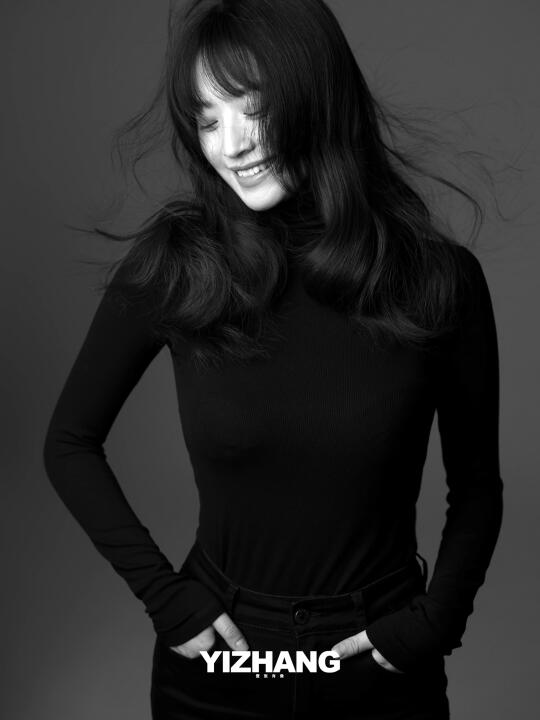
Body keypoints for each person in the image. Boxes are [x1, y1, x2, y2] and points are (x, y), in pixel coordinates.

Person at [43, 0, 504, 718]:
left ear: (318, 94)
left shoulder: (438, 280)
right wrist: (165, 597)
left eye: (252, 108)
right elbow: (69, 441)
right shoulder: (179, 265)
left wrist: (437, 620)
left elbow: (476, 485)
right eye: (208, 120)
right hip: (219, 668)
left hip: (380, 666)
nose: (231, 145)